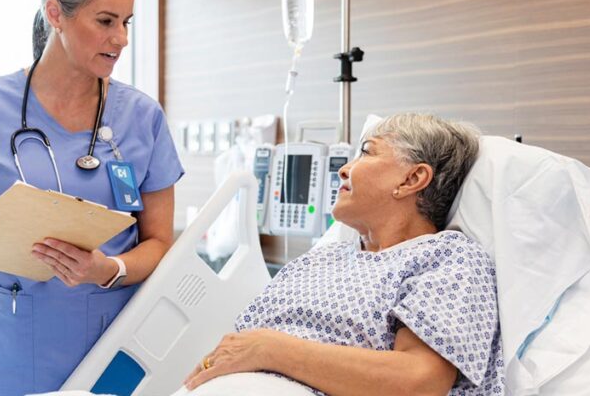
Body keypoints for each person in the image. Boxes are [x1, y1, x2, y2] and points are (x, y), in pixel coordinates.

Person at [0, 0, 184, 395]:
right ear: (55, 13)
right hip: (3, 355)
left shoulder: (142, 117)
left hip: (113, 351)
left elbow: (161, 243)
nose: (122, 38)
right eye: (106, 21)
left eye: (127, 22)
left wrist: (107, 269)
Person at [181, 113, 504, 395]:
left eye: (366, 153)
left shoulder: (447, 258)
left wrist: (270, 349)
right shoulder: (320, 259)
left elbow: (419, 382)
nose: (345, 169)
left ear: (412, 179)